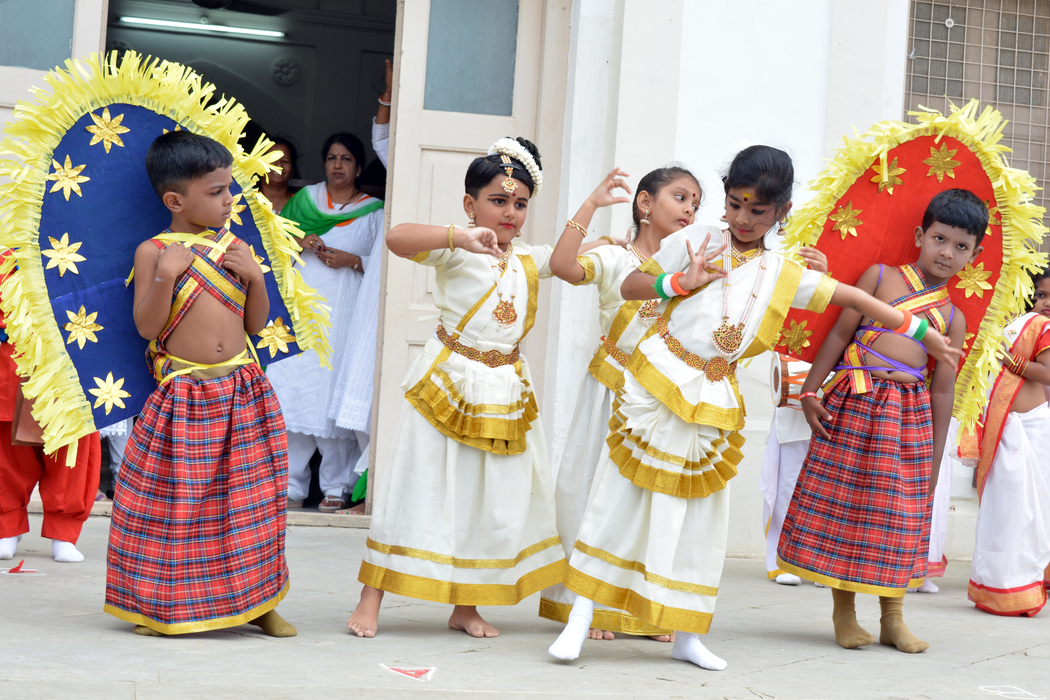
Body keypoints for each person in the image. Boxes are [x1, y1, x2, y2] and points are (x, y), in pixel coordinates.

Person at [546, 145, 963, 669]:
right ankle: (581, 617)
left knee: (700, 519)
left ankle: (687, 633)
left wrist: (919, 330)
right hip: (658, 384)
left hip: (713, 400)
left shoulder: (782, 273)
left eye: (758, 210)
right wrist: (678, 283)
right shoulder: (695, 239)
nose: (743, 219)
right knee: (619, 498)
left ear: (782, 211)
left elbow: (853, 299)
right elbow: (631, 285)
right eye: (735, 204)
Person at [347, 137, 600, 639]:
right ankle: (370, 597)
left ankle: (467, 605)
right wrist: (458, 238)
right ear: (470, 204)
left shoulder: (530, 259)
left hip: (505, 391)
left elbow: (580, 255)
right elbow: (397, 237)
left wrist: (605, 218)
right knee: (417, 484)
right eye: (498, 200)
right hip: (448, 385)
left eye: (520, 204)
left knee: (488, 496)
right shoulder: (456, 249)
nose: (510, 213)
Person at [778, 188, 987, 653]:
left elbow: (943, 390)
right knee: (845, 505)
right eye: (939, 239)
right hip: (855, 400)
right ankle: (844, 613)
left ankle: (893, 618)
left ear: (974, 255)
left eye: (961, 246)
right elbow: (839, 334)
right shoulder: (879, 278)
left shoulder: (952, 318)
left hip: (908, 417)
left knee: (896, 515)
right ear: (920, 235)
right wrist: (810, 392)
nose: (947, 253)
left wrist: (935, 456)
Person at [104, 130, 295, 637]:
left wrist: (256, 277)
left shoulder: (236, 247)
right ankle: (160, 605)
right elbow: (148, 328)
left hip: (243, 391)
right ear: (175, 201)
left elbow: (255, 325)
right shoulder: (154, 252)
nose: (229, 199)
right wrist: (166, 275)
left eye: (229, 188)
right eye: (216, 191)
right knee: (177, 505)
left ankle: (259, 602)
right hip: (184, 397)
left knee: (252, 503)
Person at [540, 166, 699, 643]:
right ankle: (587, 603)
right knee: (591, 491)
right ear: (645, 203)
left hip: (661, 398)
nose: (690, 209)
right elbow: (563, 267)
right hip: (612, 390)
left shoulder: (692, 268)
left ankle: (643, 610)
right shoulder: (615, 257)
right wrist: (591, 204)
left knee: (651, 499)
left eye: (696, 202)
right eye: (680, 197)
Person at [268, 64, 391, 512]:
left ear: (358, 166)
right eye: (331, 158)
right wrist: (298, 240)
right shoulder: (304, 201)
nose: (338, 165)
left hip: (346, 311)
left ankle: (338, 486)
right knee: (296, 389)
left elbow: (385, 264)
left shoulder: (375, 210)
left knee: (334, 396)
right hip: (304, 308)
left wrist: (352, 261)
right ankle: (291, 486)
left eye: (346, 159)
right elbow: (272, 247)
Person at [0, 252, 102, 564]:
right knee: (6, 450)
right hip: (10, 357)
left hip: (70, 354)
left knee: (73, 448)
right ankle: (6, 527)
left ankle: (64, 532)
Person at [961, 268, 1050, 616]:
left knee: (1026, 510)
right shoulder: (1012, 324)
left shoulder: (1040, 328)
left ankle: (1021, 588)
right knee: (1002, 510)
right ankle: (994, 587)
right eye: (1040, 295)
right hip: (1004, 428)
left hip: (1032, 431)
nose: (1045, 303)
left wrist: (1008, 359)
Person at [258, 137, 299, 215]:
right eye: (272, 160)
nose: (279, 165)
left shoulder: (301, 203)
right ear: (258, 166)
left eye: (285, 161)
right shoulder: (246, 200)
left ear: (292, 170)